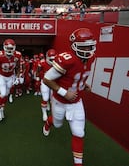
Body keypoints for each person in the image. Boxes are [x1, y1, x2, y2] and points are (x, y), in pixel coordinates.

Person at [42, 28, 97, 166]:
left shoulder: (91, 58)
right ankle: (49, 122)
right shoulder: (67, 59)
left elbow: (76, 76)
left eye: (90, 46)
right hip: (60, 101)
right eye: (85, 47)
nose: (89, 50)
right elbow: (47, 79)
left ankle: (78, 164)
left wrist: (83, 85)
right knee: (58, 124)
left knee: (79, 132)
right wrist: (64, 92)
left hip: (76, 101)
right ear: (75, 46)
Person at [0, 39, 21, 121]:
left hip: (11, 76)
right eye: (7, 48)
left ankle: (2, 108)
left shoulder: (17, 55)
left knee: (6, 94)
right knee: (3, 93)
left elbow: (18, 67)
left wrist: (17, 77)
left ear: (14, 48)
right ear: (4, 47)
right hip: (1, 76)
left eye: (11, 48)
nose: (9, 50)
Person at [37, 48, 56, 121]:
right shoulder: (42, 63)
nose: (53, 61)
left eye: (54, 59)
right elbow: (38, 71)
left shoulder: (58, 63)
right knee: (45, 98)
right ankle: (44, 113)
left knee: (53, 99)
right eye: (51, 60)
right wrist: (38, 77)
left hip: (54, 83)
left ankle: (51, 110)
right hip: (45, 82)